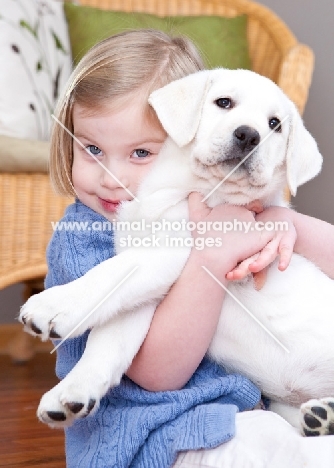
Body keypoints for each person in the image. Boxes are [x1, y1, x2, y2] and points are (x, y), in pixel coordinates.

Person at [46, 29, 334, 467]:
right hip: (174, 427)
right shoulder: (86, 240)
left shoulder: (229, 208)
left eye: (141, 153)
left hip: (256, 404)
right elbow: (155, 369)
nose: (113, 177)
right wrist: (212, 254)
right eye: (92, 150)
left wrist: (286, 221)